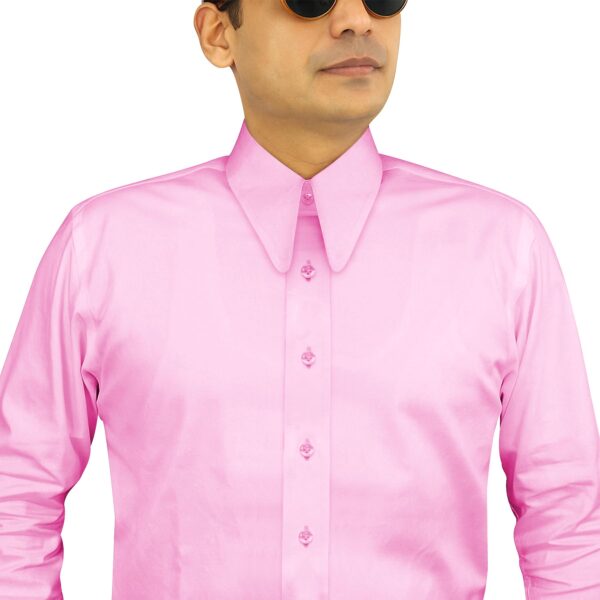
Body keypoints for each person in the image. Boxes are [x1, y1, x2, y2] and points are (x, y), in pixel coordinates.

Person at [1, 0, 599, 598]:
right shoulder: (105, 248)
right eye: (310, 0)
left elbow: (567, 516)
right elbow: (16, 496)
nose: (357, 20)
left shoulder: (500, 248)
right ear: (219, 34)